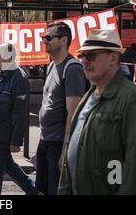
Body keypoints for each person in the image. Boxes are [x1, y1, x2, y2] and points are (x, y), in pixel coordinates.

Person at [58, 29, 136, 195]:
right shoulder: (89, 95)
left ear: (113, 58)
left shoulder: (132, 99)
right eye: (82, 56)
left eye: (91, 55)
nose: (84, 61)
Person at [0, 43, 39, 195]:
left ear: (8, 58)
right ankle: (34, 192)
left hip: (4, 134)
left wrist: (16, 140)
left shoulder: (19, 78)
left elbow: (20, 112)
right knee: (8, 165)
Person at [37, 22, 87, 195]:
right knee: (43, 188)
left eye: (49, 38)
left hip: (58, 143)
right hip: (46, 139)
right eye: (43, 37)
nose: (45, 41)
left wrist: (65, 150)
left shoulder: (72, 68)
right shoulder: (51, 66)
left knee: (56, 190)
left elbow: (73, 114)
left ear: (64, 40)